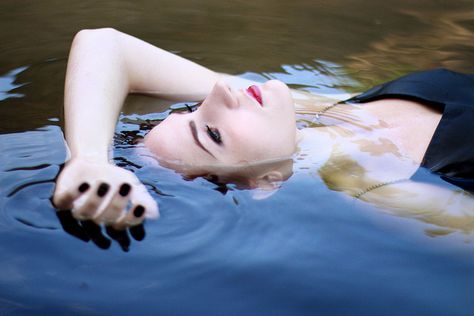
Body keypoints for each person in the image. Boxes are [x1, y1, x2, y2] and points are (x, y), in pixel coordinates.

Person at [53, 28, 474, 242]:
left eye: (193, 109)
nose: (218, 92)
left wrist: (88, 159)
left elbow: (104, 43)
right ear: (265, 184)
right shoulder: (380, 189)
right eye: (212, 134)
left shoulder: (320, 110)